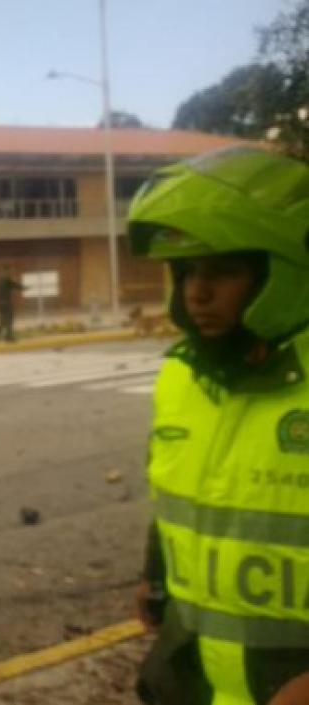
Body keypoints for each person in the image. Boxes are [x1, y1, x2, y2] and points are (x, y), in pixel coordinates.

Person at [126, 146, 309, 705]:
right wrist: (156, 572)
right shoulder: (182, 378)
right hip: (194, 678)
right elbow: (181, 494)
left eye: (222, 271)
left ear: (283, 271)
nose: (196, 293)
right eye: (185, 272)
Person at [0, 266, 24, 342]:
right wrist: (24, 288)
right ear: (6, 271)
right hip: (6, 303)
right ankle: (8, 337)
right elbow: (15, 285)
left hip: (0, 303)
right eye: (10, 271)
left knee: (3, 319)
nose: (10, 273)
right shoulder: (6, 279)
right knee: (9, 319)